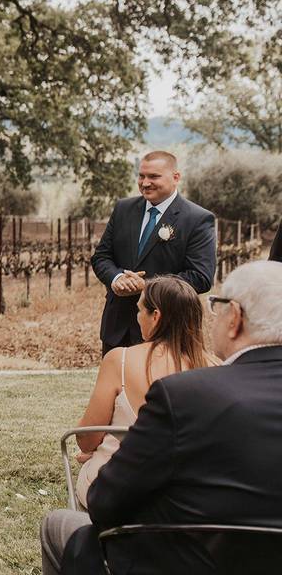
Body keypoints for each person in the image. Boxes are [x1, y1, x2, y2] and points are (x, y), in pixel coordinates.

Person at [40, 261, 282, 575]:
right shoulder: (224, 384)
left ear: (234, 318)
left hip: (179, 555)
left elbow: (106, 502)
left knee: (58, 524)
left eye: (218, 308)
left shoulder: (186, 393)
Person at [73, 276, 217, 509]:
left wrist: (104, 450)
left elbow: (87, 439)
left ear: (156, 316)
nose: (137, 317)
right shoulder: (218, 367)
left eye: (139, 310)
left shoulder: (119, 360)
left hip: (121, 491)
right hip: (192, 496)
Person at [91, 151, 216, 356]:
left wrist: (147, 286)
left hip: (167, 331)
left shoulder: (198, 219)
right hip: (117, 328)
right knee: (115, 387)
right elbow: (101, 256)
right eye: (141, 176)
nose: (145, 183)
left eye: (154, 177)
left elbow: (200, 277)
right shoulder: (123, 209)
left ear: (176, 177)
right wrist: (117, 278)